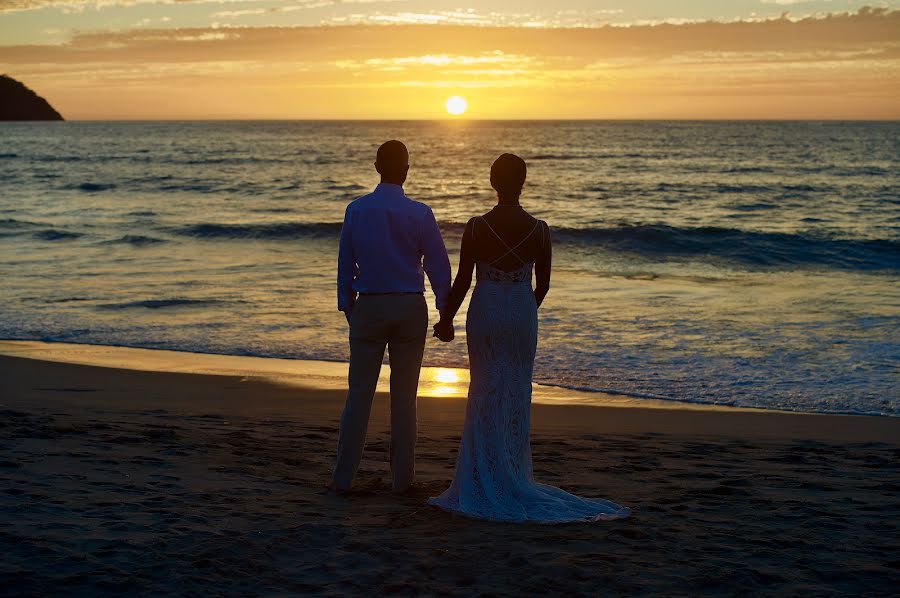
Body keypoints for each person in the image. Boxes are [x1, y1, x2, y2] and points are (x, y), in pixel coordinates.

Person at [429, 153, 630, 522]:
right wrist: (523, 310)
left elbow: (462, 280)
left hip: (486, 306)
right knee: (516, 389)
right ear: (523, 182)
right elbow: (545, 285)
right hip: (522, 308)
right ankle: (512, 473)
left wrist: (446, 320)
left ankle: (483, 474)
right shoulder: (540, 230)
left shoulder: (476, 227)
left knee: (485, 388)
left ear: (493, 181)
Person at [330, 140, 451, 494]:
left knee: (359, 395)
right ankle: (402, 480)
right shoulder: (419, 213)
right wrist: (445, 312)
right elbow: (438, 266)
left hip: (369, 304)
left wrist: (347, 304)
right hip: (408, 306)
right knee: (404, 398)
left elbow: (344, 263)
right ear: (407, 170)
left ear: (376, 167)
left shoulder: (357, 210)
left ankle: (342, 479)